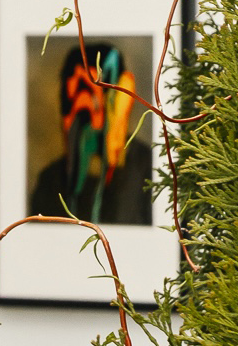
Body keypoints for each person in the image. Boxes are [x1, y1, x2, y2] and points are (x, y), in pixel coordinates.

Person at [29, 43, 153, 227]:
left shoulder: (149, 169)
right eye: (74, 104)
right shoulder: (50, 182)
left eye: (94, 99)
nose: (86, 123)